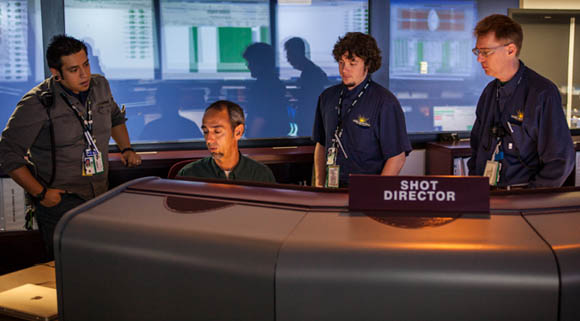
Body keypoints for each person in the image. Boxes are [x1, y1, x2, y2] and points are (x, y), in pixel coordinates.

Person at [0, 35, 141, 259]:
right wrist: (42, 194)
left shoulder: (100, 86)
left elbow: (114, 117)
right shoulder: (36, 103)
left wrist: (126, 149)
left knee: (101, 265)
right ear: (56, 73)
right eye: (74, 69)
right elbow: (7, 154)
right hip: (61, 202)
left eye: (86, 64)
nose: (84, 74)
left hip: (99, 197)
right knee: (67, 271)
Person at [468, 14, 574, 188]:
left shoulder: (542, 93)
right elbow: (476, 148)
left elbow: (560, 161)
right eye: (477, 52)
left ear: (510, 50)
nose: (479, 58)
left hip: (524, 200)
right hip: (488, 196)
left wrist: (530, 200)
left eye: (485, 52)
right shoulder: (489, 93)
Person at [312, 32, 411, 188]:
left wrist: (377, 194)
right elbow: (321, 144)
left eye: (353, 63)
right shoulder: (327, 97)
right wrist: (318, 185)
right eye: (341, 62)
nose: (344, 69)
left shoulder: (385, 102)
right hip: (330, 188)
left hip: (366, 190)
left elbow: (397, 157)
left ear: (368, 65)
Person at [177, 100, 275, 183]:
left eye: (217, 131)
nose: (209, 139)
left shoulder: (261, 175)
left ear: (238, 132)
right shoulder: (189, 175)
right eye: (206, 132)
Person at [242, 42, 289, 138]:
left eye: (251, 62)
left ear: (260, 63)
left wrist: (251, 144)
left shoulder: (262, 86)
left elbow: (259, 118)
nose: (248, 66)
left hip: (262, 143)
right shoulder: (275, 82)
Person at [284, 37, 329, 136]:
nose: (287, 59)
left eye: (289, 54)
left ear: (297, 53)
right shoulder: (311, 71)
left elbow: (309, 99)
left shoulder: (310, 73)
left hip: (308, 124)